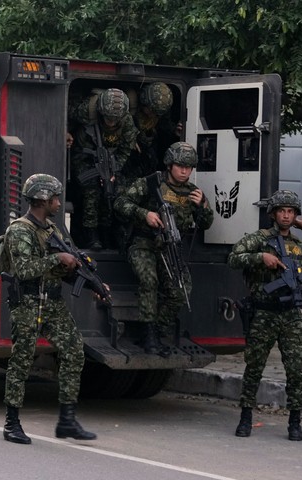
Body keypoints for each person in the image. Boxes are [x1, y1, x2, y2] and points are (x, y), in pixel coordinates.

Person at [1, 173, 96, 445]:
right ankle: (12, 423)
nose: (58, 202)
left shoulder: (52, 230)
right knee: (21, 360)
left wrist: (89, 283)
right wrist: (57, 257)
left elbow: (63, 272)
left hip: (52, 302)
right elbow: (23, 269)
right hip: (28, 302)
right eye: (54, 197)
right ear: (42, 199)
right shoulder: (20, 230)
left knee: (74, 351)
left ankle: (67, 420)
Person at [228, 190, 302, 441]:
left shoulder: (298, 244)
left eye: (291, 212)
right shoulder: (259, 238)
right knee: (254, 367)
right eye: (282, 211)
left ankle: (294, 421)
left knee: (295, 369)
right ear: (273, 214)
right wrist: (261, 257)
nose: (287, 216)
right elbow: (234, 258)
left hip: (291, 314)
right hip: (265, 314)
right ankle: (246, 416)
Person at [113, 142, 213, 355]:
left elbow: (205, 224)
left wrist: (203, 206)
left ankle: (157, 331)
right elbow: (120, 203)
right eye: (180, 166)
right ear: (170, 165)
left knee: (181, 291)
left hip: (171, 249)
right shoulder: (152, 183)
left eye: (189, 167)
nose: (184, 171)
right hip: (144, 243)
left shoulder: (194, 192)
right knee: (149, 281)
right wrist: (145, 214)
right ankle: (148, 335)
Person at [70, 88, 138, 250]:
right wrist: (66, 131)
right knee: (92, 190)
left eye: (115, 120)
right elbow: (65, 113)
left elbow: (125, 150)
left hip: (110, 160)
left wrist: (112, 171)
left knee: (112, 190)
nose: (111, 123)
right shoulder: (87, 111)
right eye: (108, 118)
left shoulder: (127, 122)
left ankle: (107, 232)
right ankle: (91, 234)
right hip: (83, 155)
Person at [127, 82, 182, 177]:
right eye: (152, 111)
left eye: (157, 114)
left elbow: (165, 132)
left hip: (149, 157)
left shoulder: (159, 114)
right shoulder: (131, 111)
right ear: (144, 103)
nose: (153, 115)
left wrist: (175, 133)